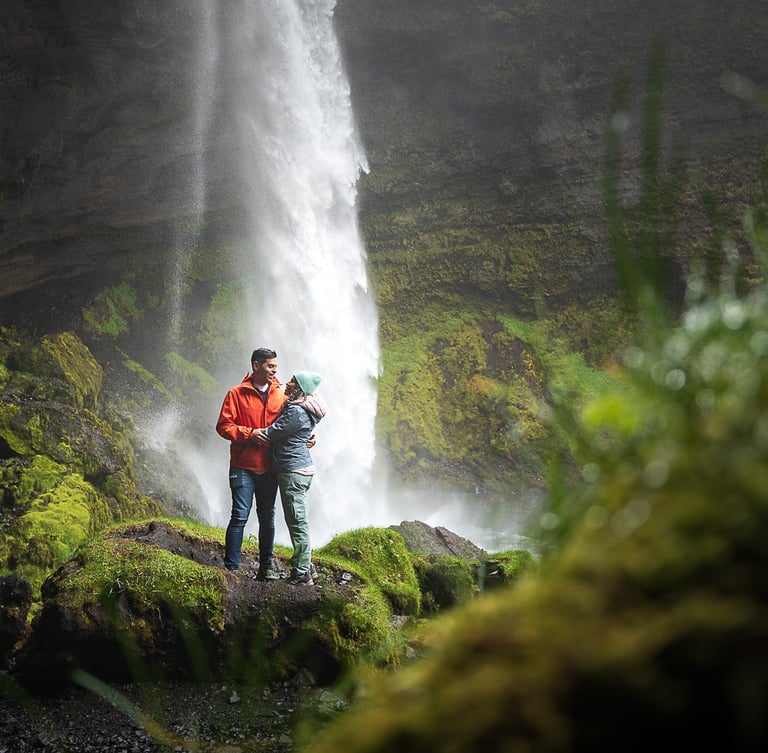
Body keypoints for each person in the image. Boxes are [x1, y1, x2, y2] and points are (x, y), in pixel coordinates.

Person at [216, 347, 285, 579]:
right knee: (239, 515)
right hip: (243, 466)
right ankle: (231, 570)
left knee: (267, 517)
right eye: (270, 366)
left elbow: (293, 423)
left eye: (275, 367)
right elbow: (223, 426)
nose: (274, 371)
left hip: (269, 467)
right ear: (256, 365)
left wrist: (307, 438)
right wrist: (249, 434)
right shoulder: (236, 394)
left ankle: (266, 567)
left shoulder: (281, 395)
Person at [257, 371, 326, 586]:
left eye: (293, 382)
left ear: (300, 388)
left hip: (293, 471)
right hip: (300, 469)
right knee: (298, 520)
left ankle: (302, 574)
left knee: (297, 522)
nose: (287, 383)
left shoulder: (296, 411)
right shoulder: (304, 407)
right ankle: (307, 566)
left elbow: (274, 431)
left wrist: (249, 432)